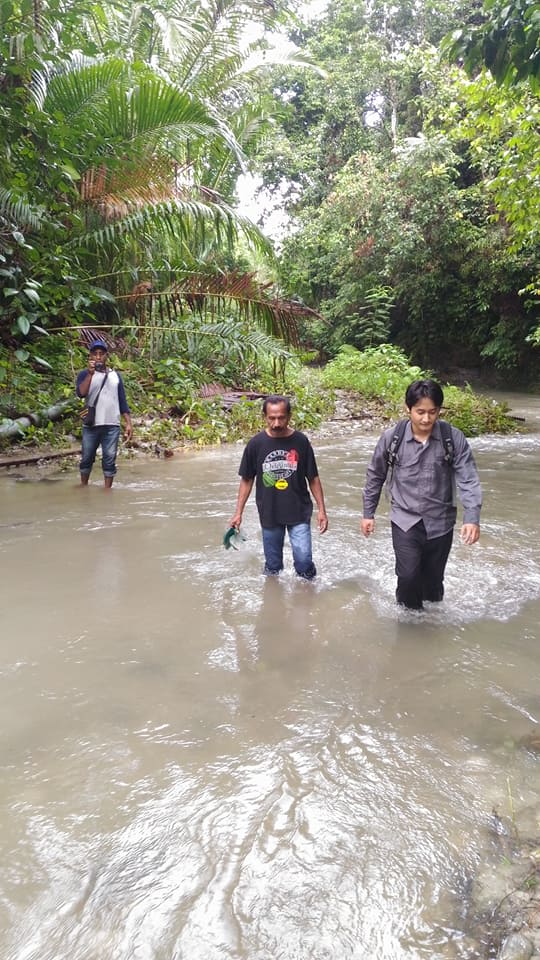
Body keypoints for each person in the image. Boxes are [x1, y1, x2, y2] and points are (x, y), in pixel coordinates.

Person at [361, 379, 482, 610]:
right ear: (408, 409)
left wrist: (471, 518)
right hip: (404, 519)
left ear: (439, 410)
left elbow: (468, 479)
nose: (426, 419)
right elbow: (375, 475)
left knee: (433, 583)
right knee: (407, 577)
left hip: (441, 522)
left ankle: (432, 625)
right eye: (420, 412)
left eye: (432, 412)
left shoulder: (452, 438)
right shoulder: (392, 438)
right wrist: (368, 513)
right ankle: (408, 625)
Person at [229, 395, 328, 579]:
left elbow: (313, 478)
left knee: (304, 561)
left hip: (298, 511)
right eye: (271, 418)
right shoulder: (256, 444)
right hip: (269, 512)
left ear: (289, 416)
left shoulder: (301, 442)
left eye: (281, 417)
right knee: (273, 566)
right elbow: (247, 480)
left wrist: (322, 509)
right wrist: (238, 512)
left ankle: (309, 597)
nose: (276, 423)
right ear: (264, 417)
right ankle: (273, 599)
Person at [76, 339, 133, 489]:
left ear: (107, 356)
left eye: (101, 354)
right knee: (87, 458)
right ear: (91, 356)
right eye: (95, 354)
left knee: (109, 459)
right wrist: (90, 374)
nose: (98, 357)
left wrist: (128, 423)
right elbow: (81, 393)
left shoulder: (115, 376)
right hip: (91, 423)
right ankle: (83, 487)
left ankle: (107, 491)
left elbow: (122, 400)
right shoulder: (84, 374)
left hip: (112, 424)